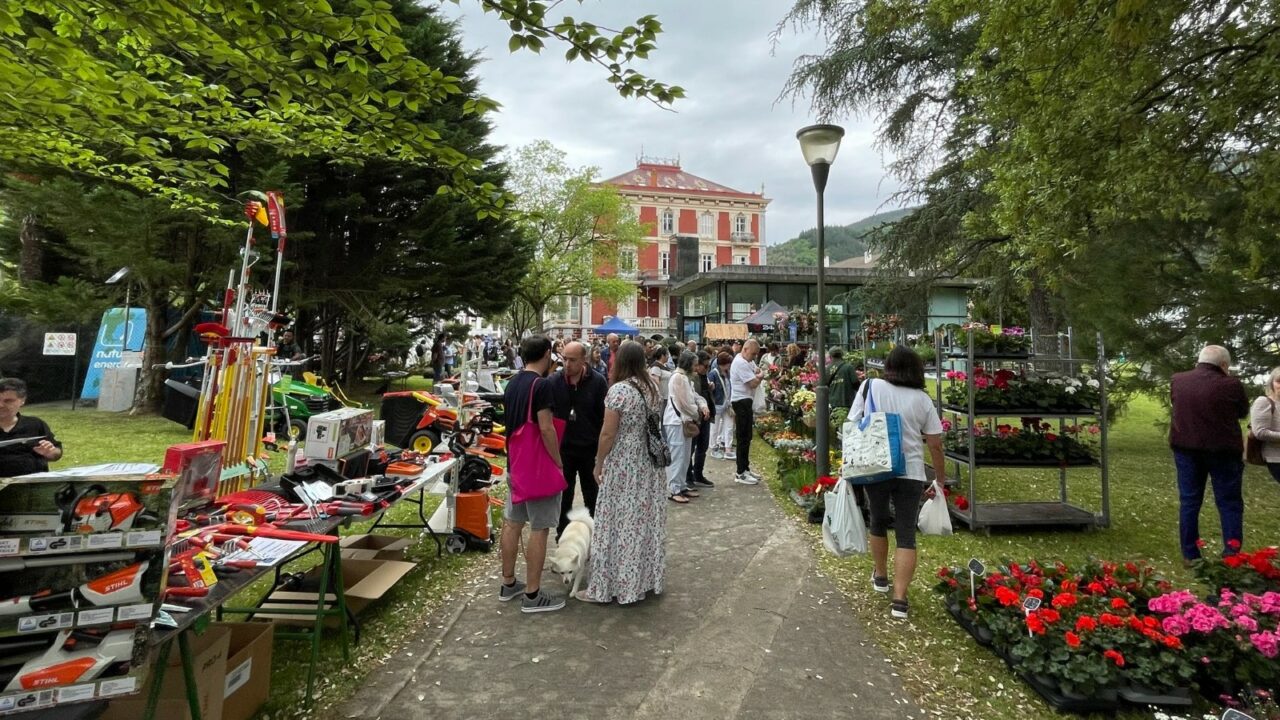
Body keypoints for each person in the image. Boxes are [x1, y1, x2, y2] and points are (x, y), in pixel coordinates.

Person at [849, 347, 945, 620]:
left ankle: (880, 575)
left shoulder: (871, 386)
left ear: (888, 366)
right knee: (906, 533)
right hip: (911, 471)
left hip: (876, 465)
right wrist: (939, 478)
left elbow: (852, 422)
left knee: (878, 521)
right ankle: (900, 599)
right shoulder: (922, 399)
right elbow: (935, 443)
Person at [581, 340, 666, 604]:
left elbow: (608, 433)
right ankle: (641, 580)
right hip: (648, 463)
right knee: (642, 521)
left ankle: (610, 586)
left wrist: (598, 463)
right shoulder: (652, 387)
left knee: (617, 521)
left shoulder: (619, 391)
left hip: (624, 463)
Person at [498, 336, 566, 613]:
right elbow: (546, 428)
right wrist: (558, 462)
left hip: (516, 464)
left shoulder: (513, 382)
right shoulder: (542, 385)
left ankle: (508, 582)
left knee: (513, 522)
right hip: (537, 468)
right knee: (540, 527)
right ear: (548, 353)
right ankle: (533, 594)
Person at [1170, 345, 1248, 561]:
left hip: (1186, 448)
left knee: (1189, 501)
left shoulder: (1178, 380)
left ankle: (1190, 554)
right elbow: (1242, 412)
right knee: (1229, 502)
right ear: (1224, 365)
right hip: (1223, 451)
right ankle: (1231, 553)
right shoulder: (1231, 384)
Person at [549, 342, 607, 538]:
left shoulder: (597, 382)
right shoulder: (554, 381)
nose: (567, 364)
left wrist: (601, 451)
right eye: (564, 359)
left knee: (592, 494)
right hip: (564, 449)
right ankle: (562, 535)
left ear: (584, 360)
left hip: (589, 449)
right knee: (564, 496)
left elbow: (603, 417)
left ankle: (595, 535)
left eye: (572, 360)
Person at [663, 351, 706, 504]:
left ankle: (681, 485)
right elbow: (684, 403)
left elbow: (694, 397)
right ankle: (673, 489)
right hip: (676, 422)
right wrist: (697, 413)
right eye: (694, 365)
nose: (696, 368)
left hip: (683, 421)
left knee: (685, 456)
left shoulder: (685, 378)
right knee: (677, 456)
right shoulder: (678, 378)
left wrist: (702, 405)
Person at [0, 378, 64, 477]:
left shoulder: (35, 424)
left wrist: (50, 453)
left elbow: (56, 452)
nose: (0, 405)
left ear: (22, 401)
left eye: (8, 401)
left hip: (32, 482)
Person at [729, 339, 764, 485]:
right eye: (753, 354)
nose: (754, 357)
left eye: (756, 354)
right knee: (743, 437)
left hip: (747, 400)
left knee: (747, 436)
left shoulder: (748, 361)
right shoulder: (740, 363)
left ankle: (745, 468)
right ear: (745, 349)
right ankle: (740, 472)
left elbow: (757, 370)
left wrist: (758, 374)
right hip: (741, 400)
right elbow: (753, 383)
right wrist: (760, 377)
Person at [686, 351, 716, 489]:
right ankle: (688, 476)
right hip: (695, 417)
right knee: (691, 448)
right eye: (705, 366)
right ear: (697, 365)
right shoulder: (691, 378)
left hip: (705, 416)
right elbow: (693, 397)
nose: (707, 369)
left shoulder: (704, 377)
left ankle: (698, 474)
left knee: (703, 447)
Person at [1251, 367, 1280, 485]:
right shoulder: (1264, 402)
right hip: (1276, 458)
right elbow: (1260, 432)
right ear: (1271, 384)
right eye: (1279, 381)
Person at [709, 352, 734, 460]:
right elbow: (710, 390)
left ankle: (728, 448)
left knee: (729, 426)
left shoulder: (728, 373)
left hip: (727, 404)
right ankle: (713, 447)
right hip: (717, 404)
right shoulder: (713, 374)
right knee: (714, 428)